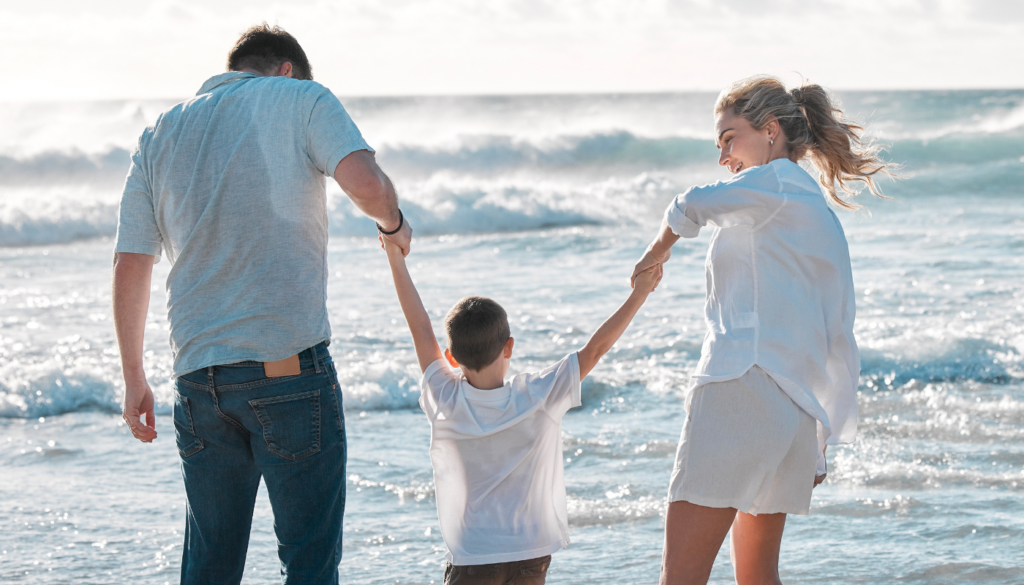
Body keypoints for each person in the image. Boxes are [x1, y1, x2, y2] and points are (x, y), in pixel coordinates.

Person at [111, 24, 411, 585]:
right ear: (288, 70)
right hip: (289, 371)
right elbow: (367, 185)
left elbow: (131, 262)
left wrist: (134, 378)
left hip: (197, 380)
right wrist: (393, 223)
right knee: (308, 564)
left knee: (209, 566)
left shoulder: (159, 133)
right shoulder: (303, 99)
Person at [631, 76, 895, 585]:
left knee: (680, 578)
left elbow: (692, 203)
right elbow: (836, 329)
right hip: (791, 411)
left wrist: (654, 251)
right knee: (758, 578)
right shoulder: (814, 209)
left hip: (740, 388)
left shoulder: (772, 185)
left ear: (770, 130)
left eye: (729, 138)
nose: (724, 156)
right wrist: (817, 431)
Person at [380, 234, 662, 584]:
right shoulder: (538, 396)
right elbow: (595, 350)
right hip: (531, 554)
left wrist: (395, 256)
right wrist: (640, 292)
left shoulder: (444, 398)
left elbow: (419, 327)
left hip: (474, 555)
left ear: (451, 357)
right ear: (509, 346)